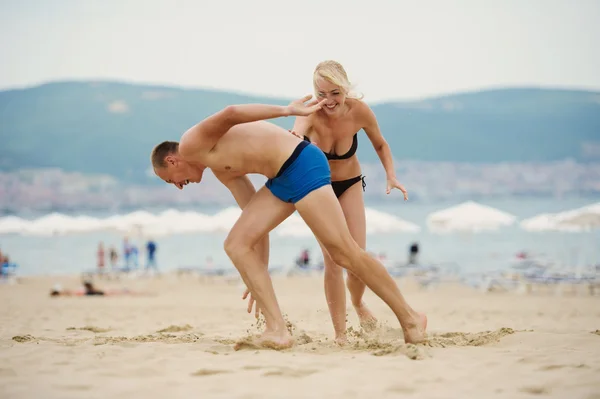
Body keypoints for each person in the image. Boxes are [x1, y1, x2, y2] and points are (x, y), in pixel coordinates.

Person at [150, 95, 427, 349]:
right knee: (236, 244)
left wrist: (288, 110)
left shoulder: (191, 144)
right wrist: (258, 272)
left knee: (344, 252)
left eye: (169, 180)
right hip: (281, 180)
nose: (178, 186)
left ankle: (410, 317)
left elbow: (231, 112)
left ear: (173, 161)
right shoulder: (222, 170)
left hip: (301, 163)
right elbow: (256, 227)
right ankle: (277, 330)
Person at [260, 60, 408, 343]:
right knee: (333, 261)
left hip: (351, 184)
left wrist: (391, 175)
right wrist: (293, 135)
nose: (328, 100)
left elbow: (380, 144)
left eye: (335, 93)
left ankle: (358, 302)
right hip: (319, 189)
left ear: (346, 89)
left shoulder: (360, 111)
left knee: (359, 256)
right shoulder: (310, 114)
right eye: (321, 93)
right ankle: (341, 334)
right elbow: (296, 135)